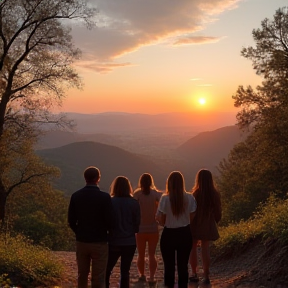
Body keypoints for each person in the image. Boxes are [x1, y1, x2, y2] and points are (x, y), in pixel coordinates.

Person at [68, 166, 113, 288]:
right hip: (100, 241)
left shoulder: (76, 196)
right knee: (99, 276)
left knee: (82, 274)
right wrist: (107, 234)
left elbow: (71, 221)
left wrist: (79, 232)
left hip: (82, 240)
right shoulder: (105, 197)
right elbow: (110, 221)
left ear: (85, 178)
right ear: (98, 178)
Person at [156, 171, 197, 288]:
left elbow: (161, 218)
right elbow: (193, 215)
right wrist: (184, 221)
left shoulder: (165, 198)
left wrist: (164, 222)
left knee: (168, 266)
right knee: (183, 266)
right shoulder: (189, 197)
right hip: (184, 233)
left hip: (169, 233)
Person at [106, 176, 141, 288]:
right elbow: (137, 225)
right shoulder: (134, 203)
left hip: (113, 240)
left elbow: (106, 221)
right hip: (129, 241)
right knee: (125, 271)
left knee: (107, 270)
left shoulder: (110, 202)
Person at [189, 169, 222, 285]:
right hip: (208, 223)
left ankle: (194, 273)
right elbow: (218, 212)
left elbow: (191, 211)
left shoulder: (195, 194)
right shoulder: (215, 194)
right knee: (205, 247)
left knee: (193, 247)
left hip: (195, 224)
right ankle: (206, 274)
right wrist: (215, 221)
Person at [133, 173, 162, 284]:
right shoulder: (155, 194)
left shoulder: (137, 194)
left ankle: (142, 275)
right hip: (153, 228)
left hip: (140, 229)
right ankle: (152, 277)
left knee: (140, 254)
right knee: (152, 254)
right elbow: (161, 207)